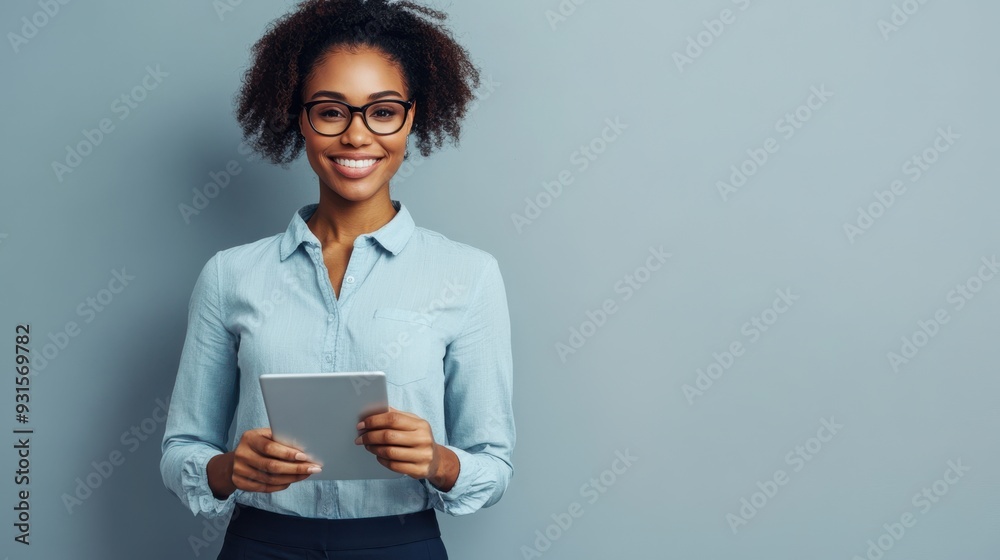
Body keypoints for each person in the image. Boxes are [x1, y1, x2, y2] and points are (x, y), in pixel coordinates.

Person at [159, 1, 515, 558]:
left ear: (411, 117)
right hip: (261, 543)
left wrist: (438, 461)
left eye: (382, 111)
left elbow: (493, 464)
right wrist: (228, 468)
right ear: (299, 117)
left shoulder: (467, 276)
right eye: (330, 112)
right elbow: (182, 447)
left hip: (401, 545)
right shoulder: (230, 275)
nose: (356, 136)